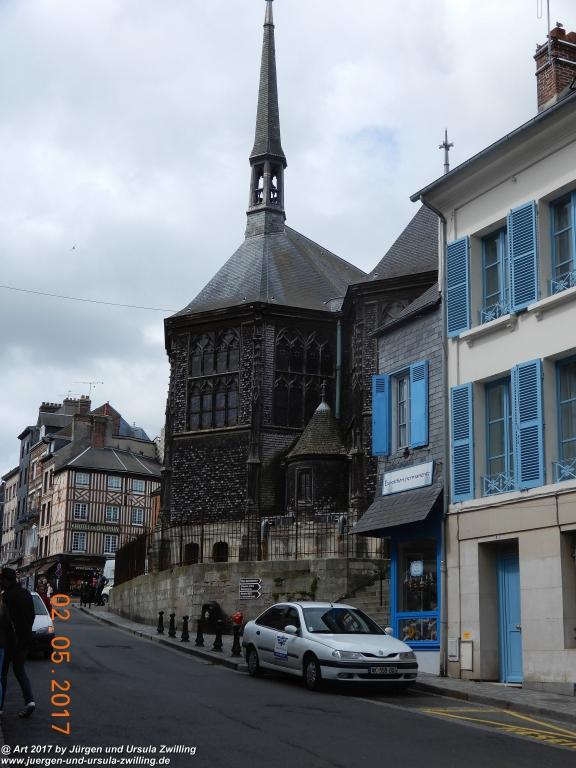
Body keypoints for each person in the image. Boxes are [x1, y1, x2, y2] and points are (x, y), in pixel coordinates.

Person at [0, 568, 36, 718]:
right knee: (20, 670)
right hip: (25, 639)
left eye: (1, 580)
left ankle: (0, 706)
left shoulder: (6, 597)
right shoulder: (26, 594)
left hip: (9, 641)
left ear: (6, 581)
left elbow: (4, 621)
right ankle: (30, 701)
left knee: (2, 674)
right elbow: (32, 615)